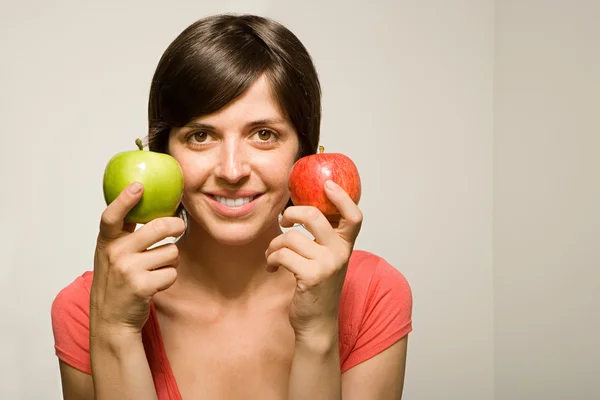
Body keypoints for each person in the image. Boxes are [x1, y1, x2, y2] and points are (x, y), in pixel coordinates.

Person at [51, 13, 413, 400]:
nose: (232, 170)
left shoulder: (372, 292)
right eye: (201, 135)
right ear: (164, 153)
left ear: (303, 153)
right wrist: (114, 331)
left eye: (264, 134)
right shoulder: (85, 308)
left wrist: (318, 332)